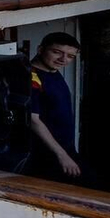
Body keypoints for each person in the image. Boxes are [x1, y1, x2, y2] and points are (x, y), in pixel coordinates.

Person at [29, 32, 86, 183]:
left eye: (70, 56)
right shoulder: (32, 77)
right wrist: (62, 155)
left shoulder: (52, 71)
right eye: (57, 52)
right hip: (47, 157)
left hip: (66, 150)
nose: (63, 59)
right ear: (40, 49)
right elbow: (33, 120)